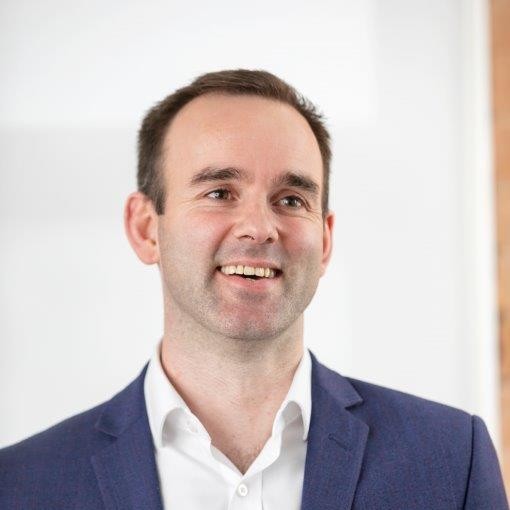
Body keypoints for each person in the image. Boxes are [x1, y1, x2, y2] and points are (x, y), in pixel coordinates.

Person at [0, 69, 508, 510]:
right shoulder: (22, 485)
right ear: (146, 228)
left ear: (325, 239)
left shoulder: (450, 460)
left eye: (290, 200)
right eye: (220, 192)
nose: (260, 228)